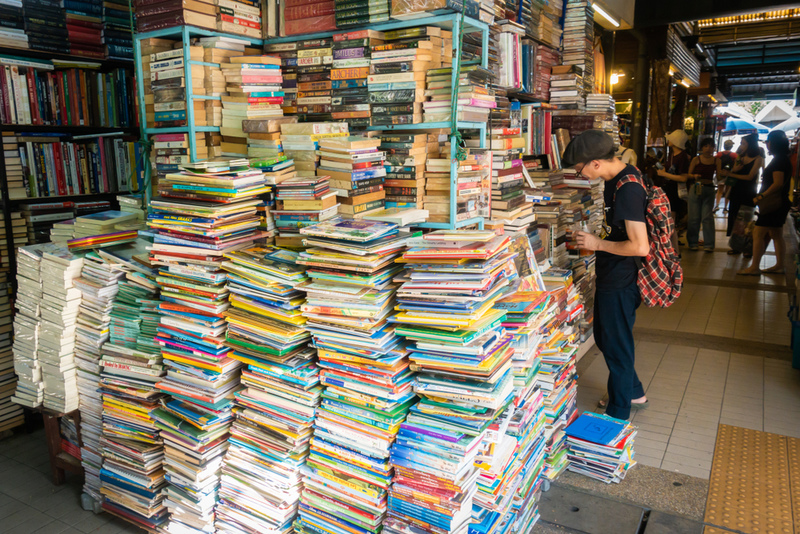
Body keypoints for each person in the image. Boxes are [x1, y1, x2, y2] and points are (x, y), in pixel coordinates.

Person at [564, 130, 650, 421]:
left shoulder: (627, 189)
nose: (582, 175)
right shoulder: (619, 177)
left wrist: (596, 244)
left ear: (596, 163)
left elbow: (640, 245)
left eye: (581, 169)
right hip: (613, 274)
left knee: (617, 345)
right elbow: (619, 230)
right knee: (606, 337)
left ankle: (618, 415)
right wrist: (595, 238)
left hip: (622, 278)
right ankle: (634, 390)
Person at [737, 130, 793, 275]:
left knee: (758, 233)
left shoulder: (779, 160)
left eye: (768, 141)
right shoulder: (782, 158)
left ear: (773, 143)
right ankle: (779, 265)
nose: (767, 144)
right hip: (780, 202)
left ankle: (755, 266)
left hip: (774, 203)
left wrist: (762, 196)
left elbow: (778, 183)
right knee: (776, 234)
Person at [720, 132, 762, 251]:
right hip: (737, 190)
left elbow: (750, 177)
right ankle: (736, 246)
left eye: (743, 143)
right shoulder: (740, 157)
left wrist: (731, 174)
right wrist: (734, 170)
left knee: (747, 220)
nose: (741, 146)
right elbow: (734, 170)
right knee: (734, 217)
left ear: (750, 145)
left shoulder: (758, 159)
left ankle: (747, 247)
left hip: (748, 191)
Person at [656, 129, 691, 255]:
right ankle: (672, 249)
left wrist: (664, 173)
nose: (668, 140)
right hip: (669, 189)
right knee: (669, 221)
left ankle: (674, 250)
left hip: (675, 192)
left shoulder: (682, 157)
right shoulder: (671, 155)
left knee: (670, 221)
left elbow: (683, 178)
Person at [686, 138, 721, 252]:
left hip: (709, 189)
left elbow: (719, 176)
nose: (708, 148)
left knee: (707, 217)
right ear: (702, 147)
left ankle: (709, 244)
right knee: (694, 217)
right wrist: (694, 175)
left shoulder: (716, 161)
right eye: (706, 146)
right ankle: (692, 242)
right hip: (696, 188)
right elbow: (689, 174)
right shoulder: (696, 159)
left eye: (711, 146)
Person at [715, 139, 736, 212]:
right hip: (730, 174)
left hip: (721, 174)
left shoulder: (719, 154)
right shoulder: (734, 155)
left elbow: (715, 162)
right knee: (728, 191)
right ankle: (725, 207)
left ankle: (716, 205)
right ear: (731, 146)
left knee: (719, 190)